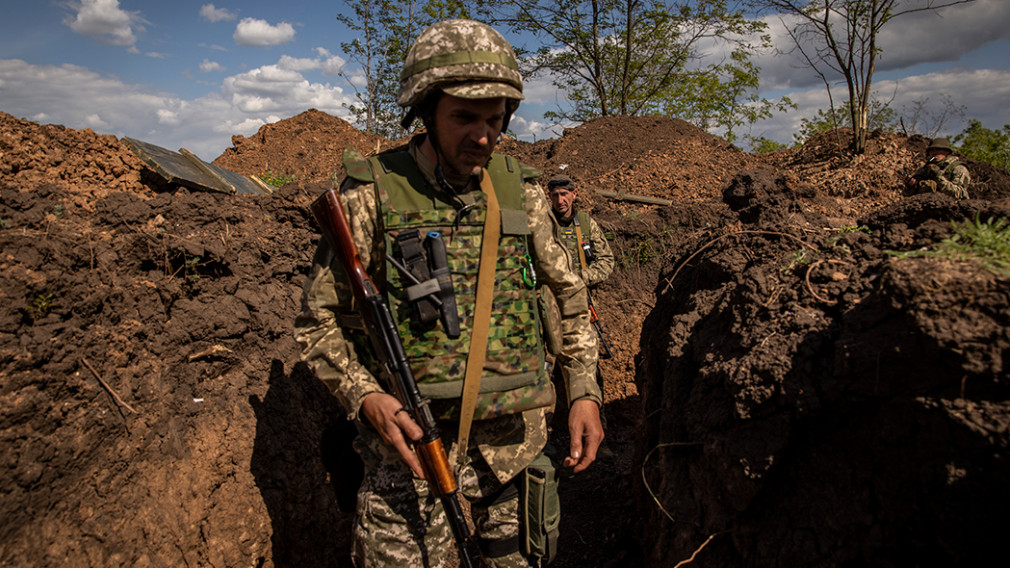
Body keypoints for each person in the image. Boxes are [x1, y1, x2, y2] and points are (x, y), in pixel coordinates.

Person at [295, 19, 603, 568]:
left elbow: (571, 298)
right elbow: (319, 321)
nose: (482, 136)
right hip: (409, 460)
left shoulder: (522, 192)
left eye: (494, 119)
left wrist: (583, 391)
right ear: (425, 113)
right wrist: (367, 397)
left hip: (514, 454)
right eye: (464, 117)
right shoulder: (371, 196)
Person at [546, 176, 614, 287]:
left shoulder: (585, 223)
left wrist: (580, 277)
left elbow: (606, 261)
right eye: (555, 195)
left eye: (564, 194)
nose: (560, 201)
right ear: (550, 197)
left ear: (574, 194)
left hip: (581, 291)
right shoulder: (542, 223)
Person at [905, 137, 971, 199]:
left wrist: (938, 177)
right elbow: (910, 196)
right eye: (932, 150)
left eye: (938, 149)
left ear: (946, 151)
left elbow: (960, 194)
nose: (934, 152)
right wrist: (911, 187)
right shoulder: (924, 169)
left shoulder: (957, 168)